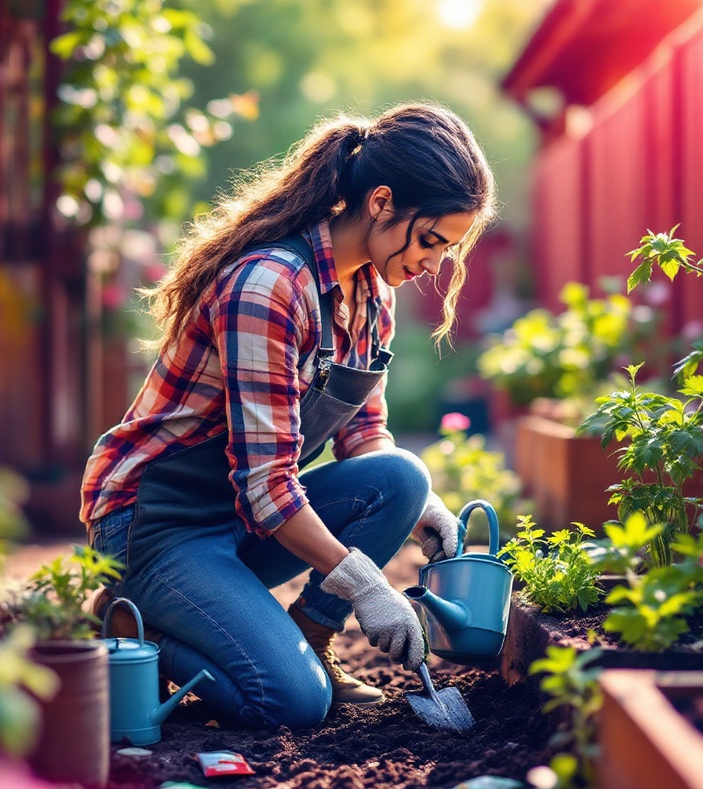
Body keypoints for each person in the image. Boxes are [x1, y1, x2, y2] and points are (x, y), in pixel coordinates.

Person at [80, 101, 497, 729]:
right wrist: (364, 584)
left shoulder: (371, 294)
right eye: (433, 241)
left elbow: (365, 432)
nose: (435, 265)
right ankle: (124, 619)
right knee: (291, 703)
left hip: (243, 521)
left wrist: (424, 512)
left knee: (404, 478)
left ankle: (310, 639)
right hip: (158, 524)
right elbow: (267, 488)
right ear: (382, 202)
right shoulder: (268, 287)